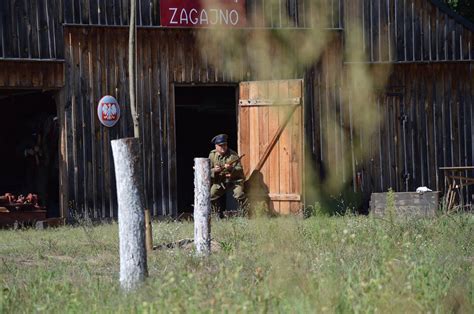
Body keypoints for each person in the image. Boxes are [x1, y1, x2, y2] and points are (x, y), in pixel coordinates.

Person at [208, 134, 247, 215]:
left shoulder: (233, 155)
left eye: (225, 145)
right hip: (220, 181)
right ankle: (215, 214)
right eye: (220, 145)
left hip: (234, 181)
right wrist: (215, 170)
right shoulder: (212, 155)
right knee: (211, 196)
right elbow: (207, 169)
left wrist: (231, 168)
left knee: (239, 194)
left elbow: (240, 170)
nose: (223, 147)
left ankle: (244, 213)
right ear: (216, 146)